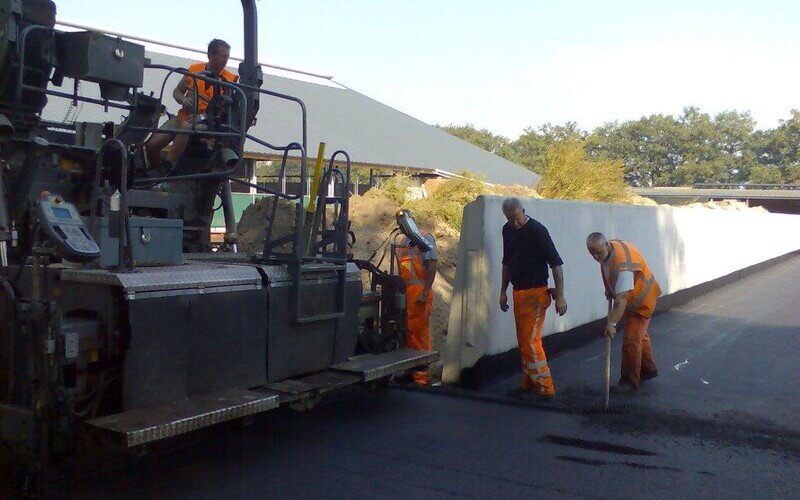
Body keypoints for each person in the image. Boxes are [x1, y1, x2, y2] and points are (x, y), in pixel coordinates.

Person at [499, 198, 567, 398]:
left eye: (518, 219)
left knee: (530, 341)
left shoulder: (538, 231)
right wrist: (503, 291)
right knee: (523, 340)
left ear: (524, 211)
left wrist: (560, 296)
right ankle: (528, 382)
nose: (515, 224)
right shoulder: (507, 230)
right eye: (511, 220)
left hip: (537, 292)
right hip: (519, 291)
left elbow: (556, 265)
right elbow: (507, 262)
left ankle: (546, 388)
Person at [142, 39, 238, 171]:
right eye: (223, 56)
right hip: (182, 116)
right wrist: (183, 100)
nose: (225, 60)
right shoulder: (194, 70)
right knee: (151, 145)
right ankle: (154, 170)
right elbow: (177, 91)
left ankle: (168, 165)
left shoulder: (229, 80)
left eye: (227, 57)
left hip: (204, 120)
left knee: (187, 126)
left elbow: (227, 109)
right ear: (210, 55)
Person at [586, 232, 661, 393]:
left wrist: (611, 324)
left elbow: (621, 300)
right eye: (592, 253)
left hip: (642, 302)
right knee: (640, 335)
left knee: (631, 340)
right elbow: (609, 273)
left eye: (598, 252)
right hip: (633, 298)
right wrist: (609, 289)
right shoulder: (608, 251)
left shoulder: (623, 265)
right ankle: (647, 370)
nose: (596, 257)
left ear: (606, 245)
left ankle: (629, 381)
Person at [394, 209, 437, 385]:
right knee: (408, 333)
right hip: (407, 293)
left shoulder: (425, 238)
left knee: (419, 333)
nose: (401, 227)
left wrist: (425, 292)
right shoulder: (403, 241)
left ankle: (421, 376)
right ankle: (409, 371)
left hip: (419, 293)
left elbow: (432, 264)